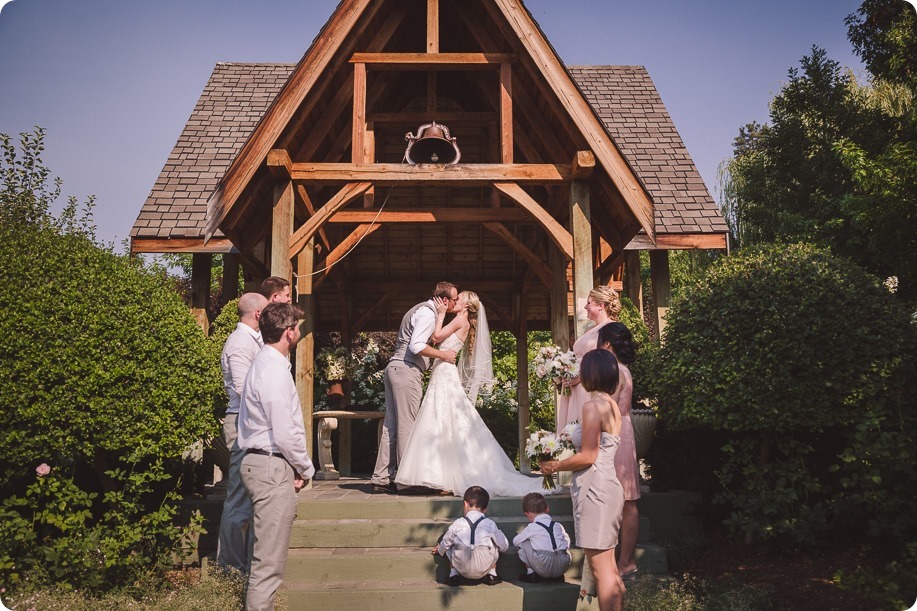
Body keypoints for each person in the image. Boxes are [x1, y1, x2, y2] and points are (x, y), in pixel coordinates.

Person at [395, 290, 554, 497]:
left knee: (443, 421)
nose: (455, 302)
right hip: (442, 372)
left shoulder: (460, 320)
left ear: (466, 306)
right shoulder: (464, 322)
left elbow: (435, 337)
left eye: (458, 299)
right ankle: (444, 477)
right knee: (445, 423)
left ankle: (445, 477)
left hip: (444, 373)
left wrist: (441, 314)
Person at [237, 302, 315, 611]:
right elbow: (284, 431)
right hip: (269, 466)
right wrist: (305, 467)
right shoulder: (272, 370)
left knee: (263, 557)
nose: (299, 331)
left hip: (268, 462)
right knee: (268, 564)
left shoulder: (267, 364)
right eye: (297, 327)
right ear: (288, 333)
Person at [541, 349, 625, 611]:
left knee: (602, 572)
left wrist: (555, 465)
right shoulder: (612, 405)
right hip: (609, 485)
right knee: (609, 566)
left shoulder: (592, 406)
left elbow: (588, 456)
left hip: (595, 488)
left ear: (590, 374)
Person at [370, 282, 458, 493]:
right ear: (445, 300)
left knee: (391, 426)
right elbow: (417, 346)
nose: (456, 303)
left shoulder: (419, 309)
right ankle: (407, 480)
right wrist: (443, 355)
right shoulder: (427, 314)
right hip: (406, 370)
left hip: (395, 368)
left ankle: (381, 478)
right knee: (407, 426)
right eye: (454, 299)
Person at [216, 292, 268, 573]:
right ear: (258, 314)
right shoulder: (238, 344)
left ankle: (242, 564)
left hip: (251, 421)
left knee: (248, 495)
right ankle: (229, 567)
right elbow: (240, 387)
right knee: (238, 494)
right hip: (240, 422)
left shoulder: (253, 341)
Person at [598, 322, 640, 581]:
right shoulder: (625, 369)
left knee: (624, 501)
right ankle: (625, 561)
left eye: (601, 342)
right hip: (626, 433)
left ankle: (624, 562)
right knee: (628, 499)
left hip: (615, 435)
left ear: (608, 345)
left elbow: (608, 407)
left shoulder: (615, 370)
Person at [556, 286, 622, 429]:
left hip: (589, 388)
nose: (585, 306)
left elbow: (610, 362)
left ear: (601, 305)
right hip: (574, 388)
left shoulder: (611, 329)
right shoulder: (589, 330)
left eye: (589, 302)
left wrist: (581, 377)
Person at [433, 486, 508, 586]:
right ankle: (492, 574)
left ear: (465, 504)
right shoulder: (490, 524)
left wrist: (440, 550)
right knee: (495, 543)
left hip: (461, 566)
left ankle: (453, 575)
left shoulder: (458, 523)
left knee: (450, 544)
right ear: (485, 509)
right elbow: (504, 546)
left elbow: (446, 542)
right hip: (484, 566)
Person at [513, 492, 572, 583]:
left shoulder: (532, 527)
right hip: (563, 565)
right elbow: (567, 541)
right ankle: (558, 576)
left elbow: (515, 541)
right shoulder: (558, 525)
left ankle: (530, 573)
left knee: (524, 542)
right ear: (547, 508)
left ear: (528, 514)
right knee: (564, 540)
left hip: (543, 565)